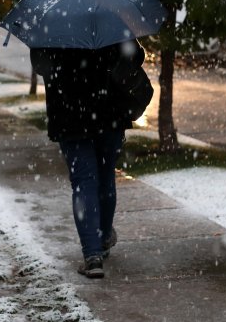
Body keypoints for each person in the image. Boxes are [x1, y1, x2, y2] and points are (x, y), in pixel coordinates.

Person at [30, 39, 148, 278]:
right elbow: (135, 56)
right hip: (109, 112)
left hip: (69, 114)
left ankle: (92, 255)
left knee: (84, 182)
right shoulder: (109, 15)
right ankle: (104, 237)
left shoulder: (52, 25)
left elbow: (41, 65)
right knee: (105, 177)